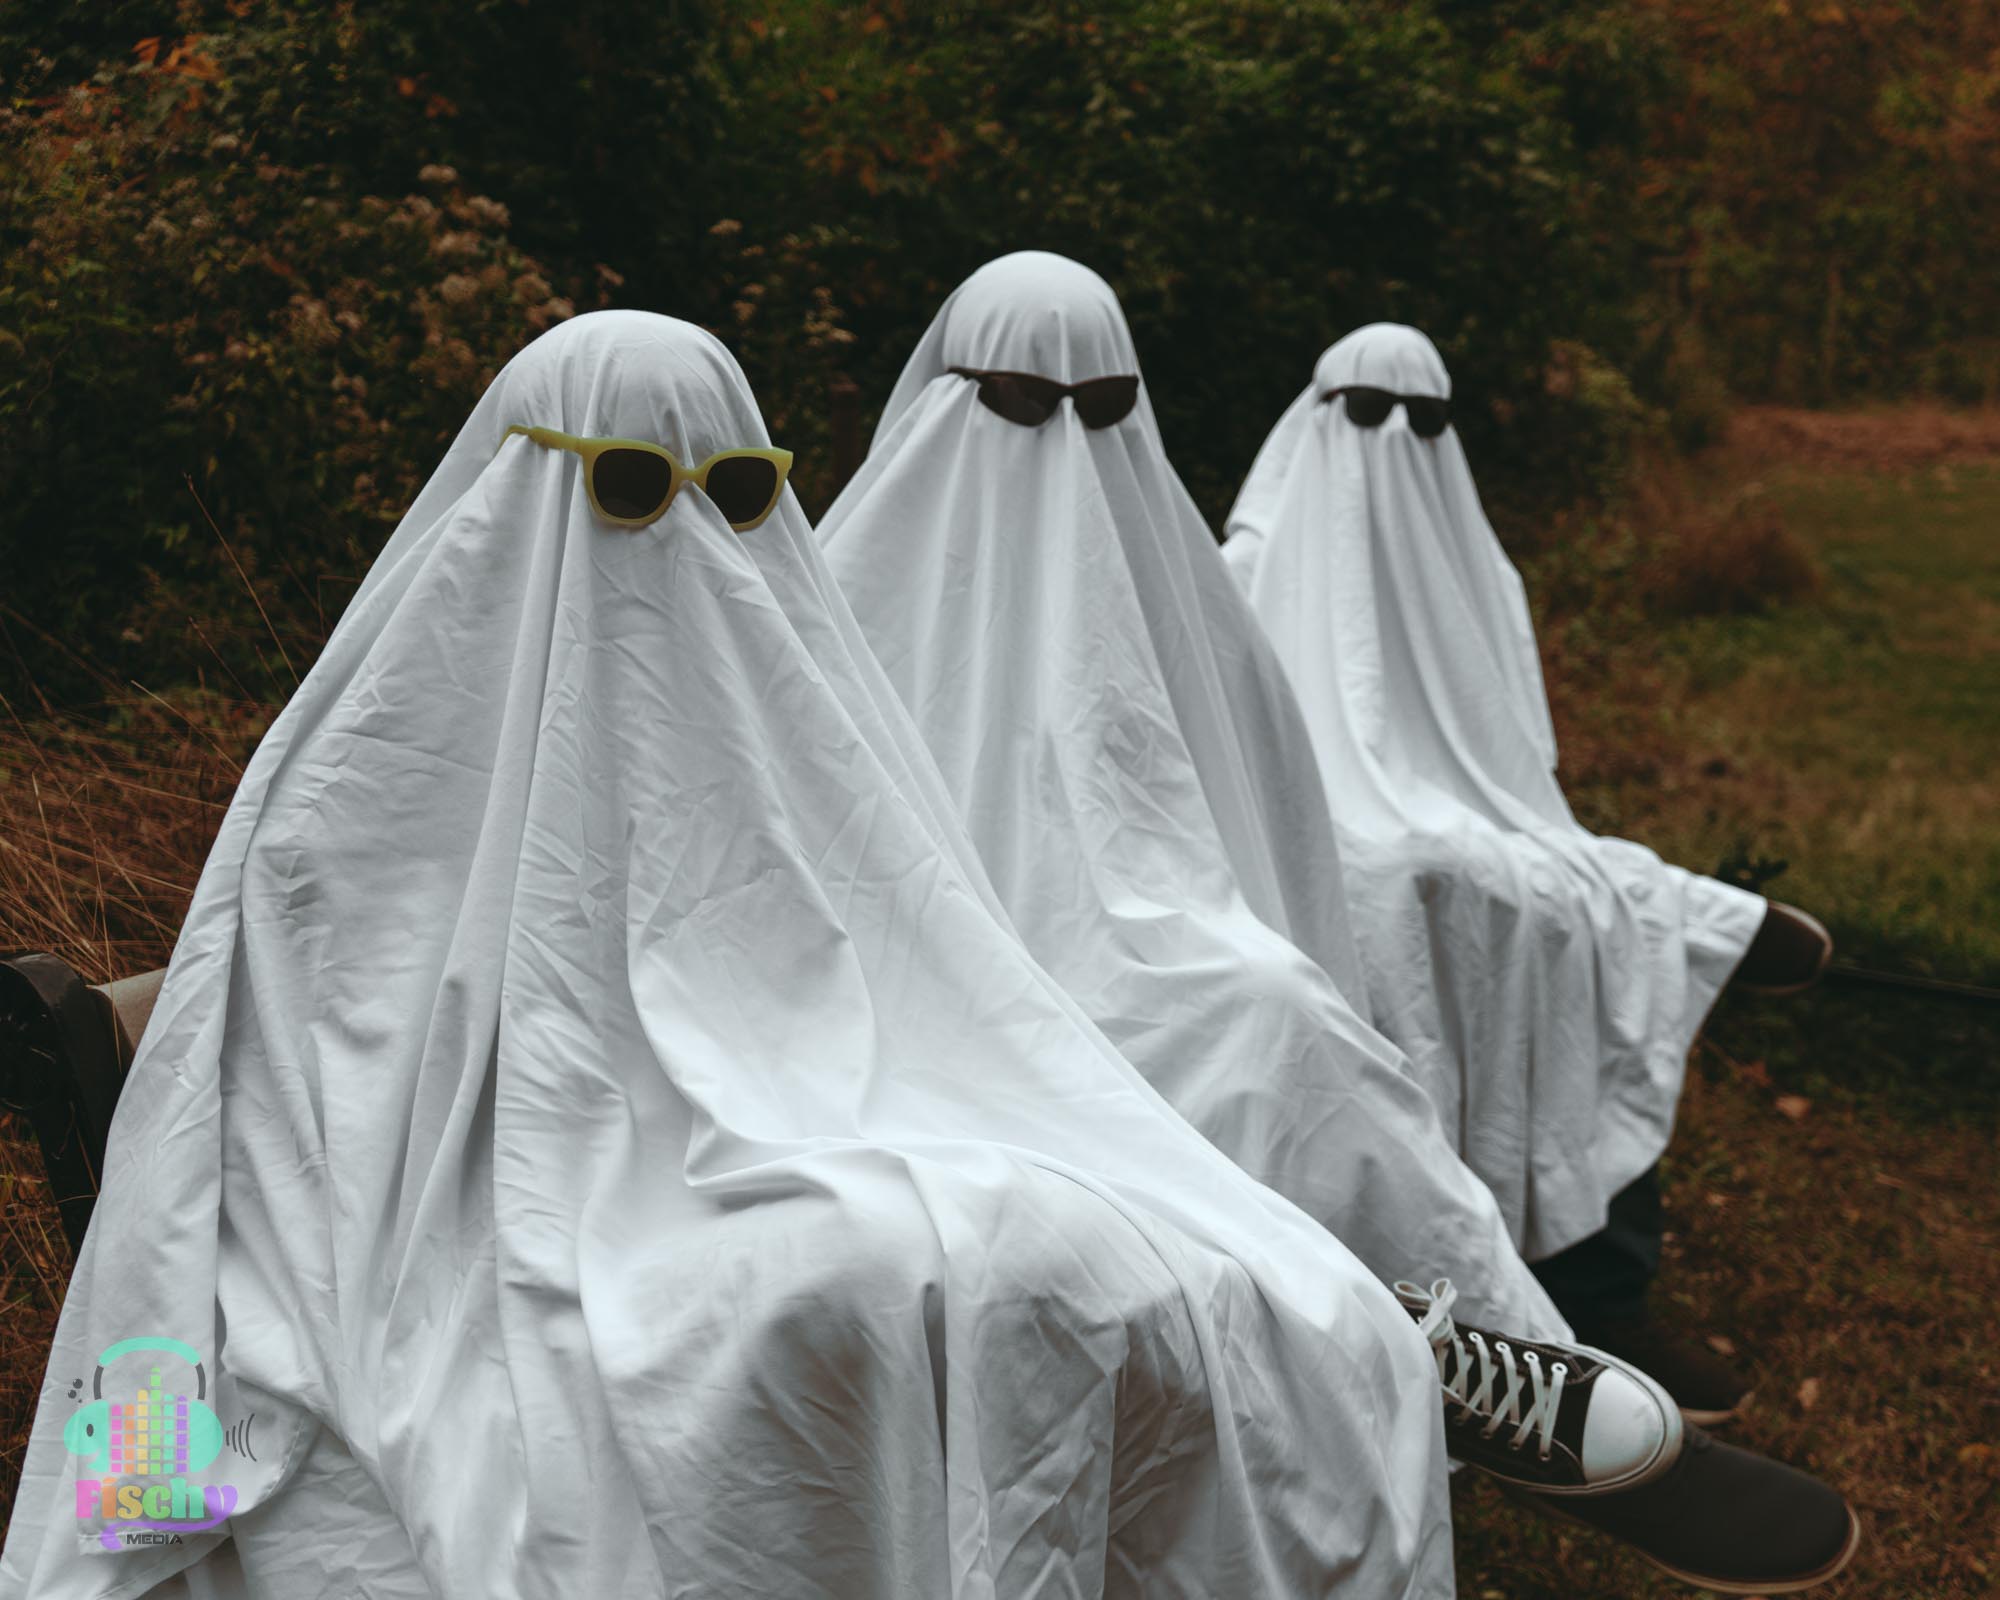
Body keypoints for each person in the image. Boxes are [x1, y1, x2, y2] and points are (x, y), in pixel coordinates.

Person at [3, 311, 1458, 1599]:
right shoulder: (361, 782)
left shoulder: (798, 741)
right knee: (855, 1289)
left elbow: (922, 979)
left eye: (744, 489)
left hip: (788, 1170)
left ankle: (1397, 1344)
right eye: (629, 488)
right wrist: (154, 1468)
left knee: (1074, 1251)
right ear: (523, 478)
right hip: (479, 1260)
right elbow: (215, 1156)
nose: (691, 528)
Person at [819, 255, 1858, 1594]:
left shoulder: (1180, 585)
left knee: (1281, 1018)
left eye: (1097, 398)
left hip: (1151, 953)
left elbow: (1262, 824)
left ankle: (1499, 1347)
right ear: (953, 395)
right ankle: (1416, 1341)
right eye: (1018, 400)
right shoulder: (840, 594)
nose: (1058, 434)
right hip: (917, 993)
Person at [1223, 323, 1833, 1411]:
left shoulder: (1473, 569)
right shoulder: (1251, 560)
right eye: (1367, 413)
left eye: (1421, 420)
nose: (1392, 443)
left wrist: (1482, 842)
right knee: (1395, 901)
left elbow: (1512, 757)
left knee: (1588, 915)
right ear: (1320, 418)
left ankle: (1595, 1288)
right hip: (1305, 841)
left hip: (1476, 828)